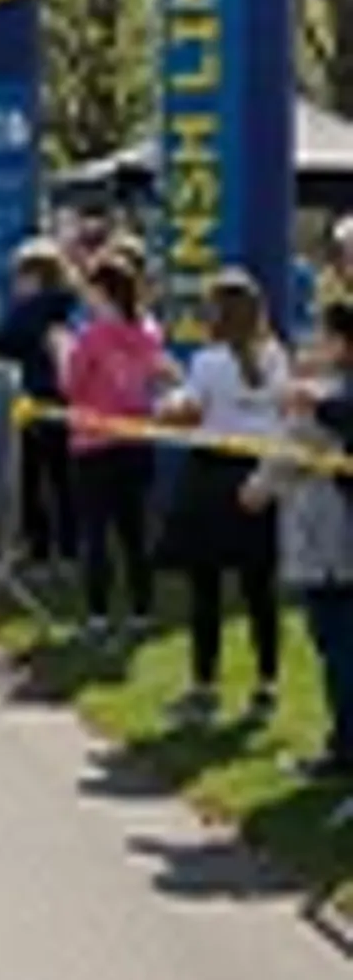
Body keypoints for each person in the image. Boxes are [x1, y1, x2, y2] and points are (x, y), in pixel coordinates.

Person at [156, 270, 288, 723]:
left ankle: (205, 684)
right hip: (258, 470)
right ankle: (267, 683)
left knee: (206, 587)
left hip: (211, 475)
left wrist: (166, 403)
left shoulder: (209, 362)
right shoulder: (275, 357)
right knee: (259, 587)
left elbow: (189, 412)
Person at [260, 300, 353, 783]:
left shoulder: (330, 401)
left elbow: (297, 447)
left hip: (333, 538)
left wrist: (260, 487)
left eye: (324, 336)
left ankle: (345, 747)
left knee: (337, 640)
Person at [62, 253, 177, 639]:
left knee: (95, 533)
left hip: (93, 441)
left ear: (103, 293)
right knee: (134, 531)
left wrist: (64, 353)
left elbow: (72, 385)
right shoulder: (148, 332)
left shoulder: (91, 337)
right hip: (135, 437)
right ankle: (141, 609)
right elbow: (157, 377)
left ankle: (97, 613)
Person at [0, 239, 80, 568]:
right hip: (68, 400)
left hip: (35, 397)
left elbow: (5, 341)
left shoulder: (30, 310)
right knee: (64, 478)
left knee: (31, 476)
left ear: (34, 277)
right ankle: (70, 545)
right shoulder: (72, 305)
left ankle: (39, 543)